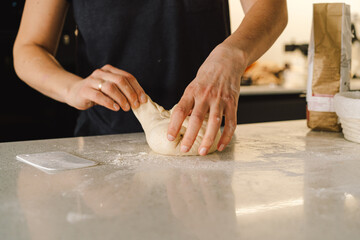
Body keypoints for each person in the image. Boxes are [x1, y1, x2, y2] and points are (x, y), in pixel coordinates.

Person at [13, 0, 288, 155]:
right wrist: (71, 87)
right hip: (103, 149)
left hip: (208, 142)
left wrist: (231, 55)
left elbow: (272, 8)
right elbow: (29, 47)